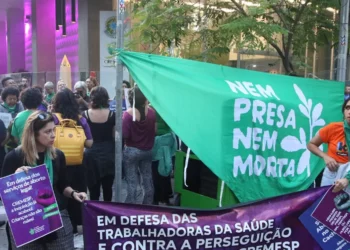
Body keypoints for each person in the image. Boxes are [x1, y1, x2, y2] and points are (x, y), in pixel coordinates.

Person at [1, 111, 87, 249]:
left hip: (56, 216)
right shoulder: (14, 157)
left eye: (54, 130)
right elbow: (5, 195)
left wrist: (74, 193)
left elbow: (62, 185)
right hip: (26, 220)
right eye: (47, 131)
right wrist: (15, 179)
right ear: (33, 134)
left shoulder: (57, 155)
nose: (53, 135)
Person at [52, 88, 93, 234]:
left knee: (59, 193)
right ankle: (79, 227)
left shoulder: (53, 119)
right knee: (78, 194)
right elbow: (89, 143)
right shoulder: (81, 119)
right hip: (78, 164)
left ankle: (63, 227)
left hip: (57, 164)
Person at [308, 98, 350, 192]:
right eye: (347, 108)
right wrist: (325, 156)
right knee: (326, 205)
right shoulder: (333, 128)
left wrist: (347, 178)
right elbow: (311, 144)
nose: (349, 111)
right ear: (343, 111)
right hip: (332, 172)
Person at [123, 86, 156, 204]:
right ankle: (147, 207)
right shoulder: (152, 113)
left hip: (131, 150)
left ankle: (130, 209)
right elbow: (155, 131)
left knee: (132, 182)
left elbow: (125, 134)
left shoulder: (127, 115)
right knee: (147, 180)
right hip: (147, 150)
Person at [82, 87, 115, 201]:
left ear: (92, 99)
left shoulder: (84, 115)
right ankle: (107, 215)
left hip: (91, 153)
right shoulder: (112, 115)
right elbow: (115, 136)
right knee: (108, 188)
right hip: (108, 153)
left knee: (93, 189)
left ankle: (94, 214)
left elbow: (82, 137)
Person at [151, 109, 176, 205]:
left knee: (155, 171)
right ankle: (166, 197)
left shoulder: (150, 109)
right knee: (166, 169)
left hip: (155, 141)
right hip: (167, 141)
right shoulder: (166, 107)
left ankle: (156, 198)